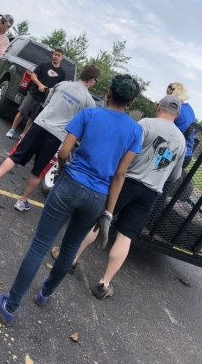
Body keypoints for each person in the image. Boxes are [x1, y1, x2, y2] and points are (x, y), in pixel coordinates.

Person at [0, 75, 143, 325]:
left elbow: (63, 152)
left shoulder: (88, 114)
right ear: (131, 102)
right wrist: (108, 212)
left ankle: (11, 305)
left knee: (39, 246)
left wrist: (65, 169)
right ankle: (45, 293)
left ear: (108, 92)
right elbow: (120, 174)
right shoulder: (135, 130)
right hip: (98, 196)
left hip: (71, 183)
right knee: (70, 249)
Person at [51, 94, 186, 300]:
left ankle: (71, 259)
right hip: (150, 192)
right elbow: (175, 175)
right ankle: (104, 284)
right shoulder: (181, 141)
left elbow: (127, 151)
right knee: (125, 237)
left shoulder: (146, 124)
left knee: (100, 220)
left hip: (126, 181)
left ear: (159, 107)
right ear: (177, 115)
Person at [0, 65, 101, 211]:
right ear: (92, 80)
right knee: (39, 169)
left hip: (39, 124)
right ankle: (22, 201)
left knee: (16, 155)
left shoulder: (62, 84)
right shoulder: (89, 101)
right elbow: (83, 124)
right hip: (57, 135)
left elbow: (47, 103)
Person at [5, 49, 66, 139]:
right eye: (55, 55)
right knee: (22, 111)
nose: (56, 57)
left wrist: (52, 89)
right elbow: (33, 76)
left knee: (33, 118)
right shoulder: (44, 65)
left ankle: (23, 135)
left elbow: (60, 86)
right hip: (33, 93)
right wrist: (40, 85)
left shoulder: (62, 73)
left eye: (58, 55)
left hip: (45, 99)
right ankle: (12, 130)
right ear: (52, 55)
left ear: (62, 58)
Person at [166, 82, 195, 169]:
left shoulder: (177, 110)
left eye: (168, 96)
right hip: (186, 154)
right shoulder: (189, 109)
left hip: (174, 153)